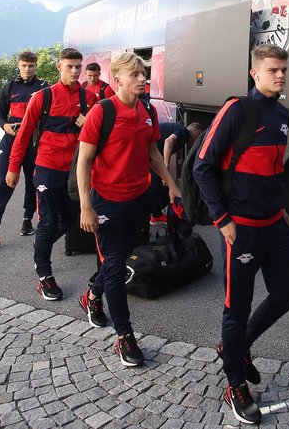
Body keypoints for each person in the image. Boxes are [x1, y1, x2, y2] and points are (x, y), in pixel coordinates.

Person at [193, 43, 289, 425]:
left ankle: (236, 347)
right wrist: (222, 219)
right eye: (273, 70)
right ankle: (235, 383)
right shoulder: (237, 110)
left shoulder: (284, 115)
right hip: (241, 230)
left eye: (284, 70)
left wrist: (281, 207)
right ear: (255, 73)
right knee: (236, 309)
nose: (280, 75)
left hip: (274, 225)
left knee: (286, 296)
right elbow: (202, 166)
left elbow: (274, 168)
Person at [75, 53, 175, 367]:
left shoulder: (148, 110)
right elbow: (83, 162)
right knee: (116, 268)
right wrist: (86, 206)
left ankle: (92, 296)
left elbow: (152, 153)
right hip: (106, 203)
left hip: (138, 200)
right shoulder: (102, 112)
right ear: (118, 79)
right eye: (135, 74)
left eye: (144, 73)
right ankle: (124, 336)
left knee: (118, 259)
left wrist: (172, 184)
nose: (143, 79)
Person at [5, 47, 93, 302]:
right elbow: (23, 134)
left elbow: (96, 137)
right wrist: (13, 167)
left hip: (74, 171)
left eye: (78, 66)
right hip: (46, 168)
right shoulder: (43, 97)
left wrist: (87, 125)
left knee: (70, 220)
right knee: (47, 222)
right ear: (59, 67)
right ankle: (44, 276)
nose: (74, 71)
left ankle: (41, 244)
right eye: (69, 66)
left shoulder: (89, 98)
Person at [0, 51, 49, 246]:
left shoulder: (44, 88)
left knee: (32, 182)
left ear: (36, 66)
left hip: (32, 141)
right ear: (18, 65)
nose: (27, 69)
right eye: (24, 65)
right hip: (10, 139)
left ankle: (27, 219)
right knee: (4, 182)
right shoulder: (9, 87)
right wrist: (5, 125)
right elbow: (0, 114)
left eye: (31, 66)